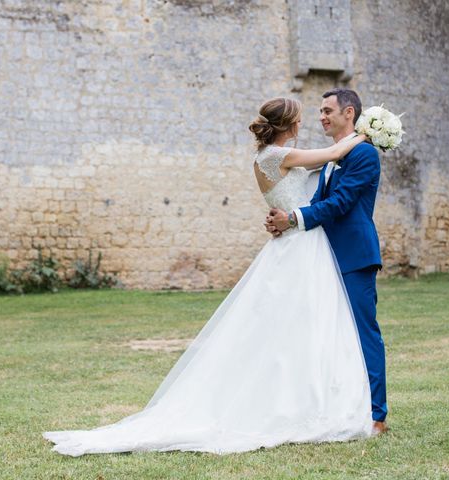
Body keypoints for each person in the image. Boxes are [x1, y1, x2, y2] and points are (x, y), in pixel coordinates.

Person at [43, 97, 373, 457]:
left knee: (292, 328)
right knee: (295, 326)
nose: (309, 122)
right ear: (289, 125)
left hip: (298, 245)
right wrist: (370, 133)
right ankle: (294, 404)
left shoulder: (268, 159)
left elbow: (316, 180)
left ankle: (307, 398)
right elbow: (332, 154)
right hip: (299, 248)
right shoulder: (280, 156)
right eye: (301, 119)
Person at [266, 89, 388, 434]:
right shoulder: (333, 158)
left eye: (327, 110)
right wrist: (286, 220)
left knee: (364, 334)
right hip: (324, 255)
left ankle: (377, 415)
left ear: (349, 113)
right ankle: (340, 406)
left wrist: (292, 219)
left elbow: (340, 204)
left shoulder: (363, 154)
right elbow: (317, 199)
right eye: (319, 111)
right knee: (332, 335)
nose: (321, 116)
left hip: (353, 255)